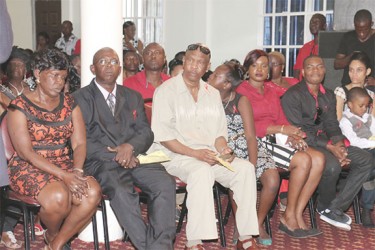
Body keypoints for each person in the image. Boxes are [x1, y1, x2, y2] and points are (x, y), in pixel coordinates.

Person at [151, 43, 259, 249]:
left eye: (200, 63)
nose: (194, 66)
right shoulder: (166, 91)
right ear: (183, 61)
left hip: (208, 154)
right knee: (201, 171)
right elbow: (164, 137)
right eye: (190, 60)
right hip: (175, 154)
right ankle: (194, 242)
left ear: (207, 66)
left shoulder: (212, 93)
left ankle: (245, 237)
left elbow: (219, 134)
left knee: (245, 169)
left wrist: (223, 148)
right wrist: (195, 154)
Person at [73, 47, 176, 250]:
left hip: (135, 157)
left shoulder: (132, 96)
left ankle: (160, 246)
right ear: (93, 68)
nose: (109, 66)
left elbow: (146, 132)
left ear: (120, 68)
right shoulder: (80, 98)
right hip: (103, 162)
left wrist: (130, 147)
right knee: (122, 192)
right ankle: (149, 247)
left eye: (113, 62)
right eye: (103, 62)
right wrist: (119, 155)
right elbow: (82, 140)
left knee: (165, 183)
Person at [7, 48, 101, 250]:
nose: (60, 82)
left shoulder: (70, 103)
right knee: (59, 197)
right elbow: (26, 153)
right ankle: (52, 232)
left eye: (63, 77)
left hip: (63, 162)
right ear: (38, 74)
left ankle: (56, 243)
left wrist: (76, 171)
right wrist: (64, 176)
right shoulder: (19, 106)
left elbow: (79, 143)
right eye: (54, 76)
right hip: (28, 166)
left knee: (92, 192)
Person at [236, 49, 324, 240]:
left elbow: (281, 117)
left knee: (318, 158)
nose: (260, 69)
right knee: (303, 160)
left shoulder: (270, 90)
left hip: (276, 136)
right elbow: (249, 127)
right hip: (255, 139)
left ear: (269, 70)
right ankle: (288, 217)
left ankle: (294, 212)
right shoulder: (242, 90)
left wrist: (292, 134)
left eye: (264, 65)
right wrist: (283, 129)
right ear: (247, 68)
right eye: (255, 65)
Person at [281, 55, 373, 231]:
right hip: (305, 144)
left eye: (319, 67)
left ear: (324, 71)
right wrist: (330, 147)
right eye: (310, 67)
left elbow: (332, 124)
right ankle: (323, 205)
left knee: (366, 159)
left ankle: (334, 207)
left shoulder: (328, 95)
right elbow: (299, 131)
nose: (315, 70)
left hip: (329, 142)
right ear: (303, 72)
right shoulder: (292, 95)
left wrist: (339, 145)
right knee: (332, 166)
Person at [339, 87, 375, 227]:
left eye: (366, 106)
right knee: (370, 166)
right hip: (357, 153)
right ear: (349, 104)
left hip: (371, 151)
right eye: (361, 106)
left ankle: (368, 178)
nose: (364, 109)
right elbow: (353, 142)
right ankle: (366, 208)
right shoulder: (345, 120)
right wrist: (372, 142)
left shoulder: (369, 118)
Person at [334, 9, 375, 87]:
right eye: (358, 30)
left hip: (372, 87)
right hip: (349, 86)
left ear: (371, 24)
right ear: (354, 25)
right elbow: (336, 64)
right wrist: (350, 58)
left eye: (365, 29)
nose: (362, 34)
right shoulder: (348, 37)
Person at [334, 51, 375, 121]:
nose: (354, 74)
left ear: (367, 71)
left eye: (359, 70)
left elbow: (373, 122)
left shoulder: (371, 95)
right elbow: (338, 120)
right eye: (351, 70)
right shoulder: (341, 92)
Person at [293, 14, 326, 80]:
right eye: (311, 22)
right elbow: (297, 70)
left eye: (316, 22)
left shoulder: (327, 46)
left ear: (324, 26)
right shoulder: (305, 47)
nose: (313, 24)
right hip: (302, 87)